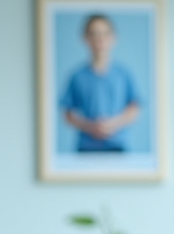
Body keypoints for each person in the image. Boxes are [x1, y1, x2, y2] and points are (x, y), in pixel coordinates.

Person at [60, 13, 142, 152]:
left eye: (105, 33)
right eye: (94, 33)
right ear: (85, 38)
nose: (100, 38)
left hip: (117, 146)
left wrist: (113, 124)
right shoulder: (77, 76)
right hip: (86, 148)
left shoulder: (124, 74)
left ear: (113, 38)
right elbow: (68, 114)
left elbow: (134, 108)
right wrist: (90, 127)